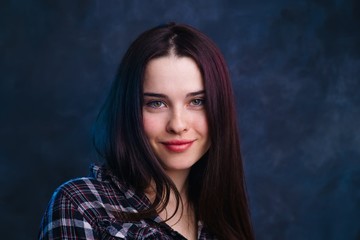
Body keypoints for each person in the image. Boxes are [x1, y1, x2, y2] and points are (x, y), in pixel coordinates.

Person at [38, 23, 255, 240]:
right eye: (156, 103)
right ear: (129, 110)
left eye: (197, 101)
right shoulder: (83, 205)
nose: (177, 125)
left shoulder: (223, 221)